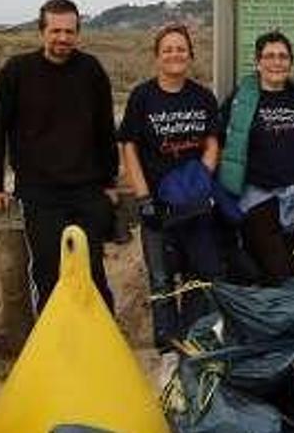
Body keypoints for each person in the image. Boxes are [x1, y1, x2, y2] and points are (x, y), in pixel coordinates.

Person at [0, 0, 120, 317]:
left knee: (93, 275)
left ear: (78, 33)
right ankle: (52, 348)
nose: (62, 38)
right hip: (39, 193)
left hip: (86, 191)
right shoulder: (16, 71)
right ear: (41, 31)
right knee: (48, 274)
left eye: (69, 32)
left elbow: (104, 128)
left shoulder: (91, 70)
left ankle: (100, 346)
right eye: (55, 31)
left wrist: (110, 178)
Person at [118, 23, 223, 352]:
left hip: (194, 203)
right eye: (168, 49)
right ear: (157, 57)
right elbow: (129, 147)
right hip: (158, 202)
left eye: (181, 49)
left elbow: (212, 142)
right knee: (161, 278)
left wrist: (198, 182)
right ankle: (166, 347)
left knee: (196, 275)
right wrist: (143, 197)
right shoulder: (142, 97)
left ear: (190, 55)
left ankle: (193, 342)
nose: (175, 54)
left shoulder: (203, 96)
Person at [218, 31, 294, 284]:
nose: (276, 62)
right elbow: (219, 144)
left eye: (283, 56)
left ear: (290, 62)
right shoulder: (241, 101)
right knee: (278, 273)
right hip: (260, 198)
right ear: (258, 62)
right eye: (269, 56)